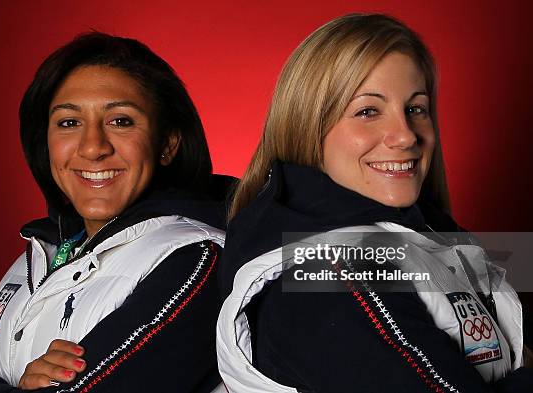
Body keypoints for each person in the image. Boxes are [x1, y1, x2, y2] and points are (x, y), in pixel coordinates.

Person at [216, 13, 533, 393]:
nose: (404, 136)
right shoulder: (328, 279)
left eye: (416, 108)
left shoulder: (420, 233)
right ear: (306, 126)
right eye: (368, 111)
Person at [0, 32, 232, 393]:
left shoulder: (198, 258)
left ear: (167, 144)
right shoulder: (41, 256)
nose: (93, 147)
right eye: (68, 122)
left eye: (121, 121)